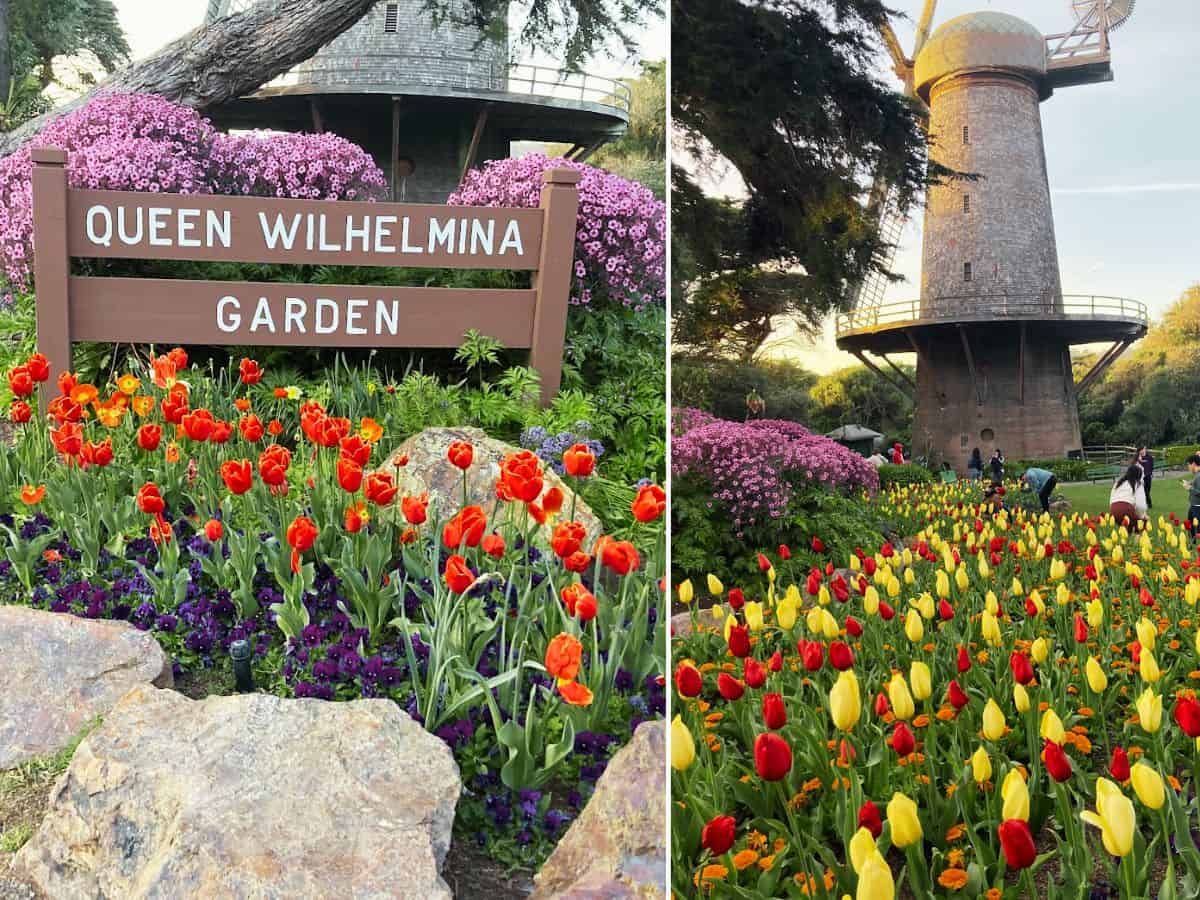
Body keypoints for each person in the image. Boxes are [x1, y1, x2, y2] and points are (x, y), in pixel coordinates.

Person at [1182, 453, 1200, 532]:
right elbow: (1196, 483)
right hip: (1194, 506)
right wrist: (1189, 483)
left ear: (1193, 464)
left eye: (1188, 464)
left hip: (1197, 507)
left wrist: (1189, 488)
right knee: (1190, 529)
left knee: (1196, 530)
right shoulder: (1197, 474)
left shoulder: (1199, 475)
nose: (1188, 467)